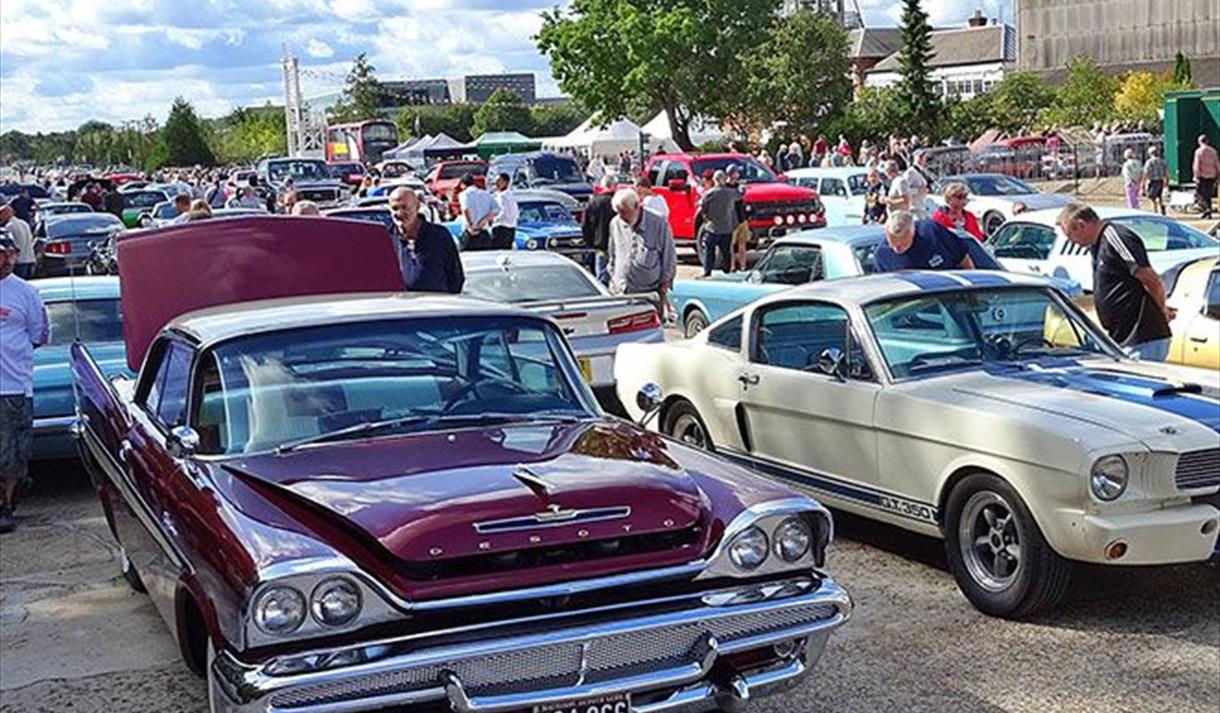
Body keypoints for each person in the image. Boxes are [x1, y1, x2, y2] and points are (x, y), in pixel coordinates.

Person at [1057, 203, 1174, 361]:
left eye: (1071, 236)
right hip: (1121, 337)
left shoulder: (1116, 237)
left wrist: (1161, 310)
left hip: (1142, 337)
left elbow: (1151, 279)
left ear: (1081, 225)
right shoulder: (1096, 246)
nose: (1072, 242)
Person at [0, 235, 49, 534]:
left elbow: (39, 335)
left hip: (13, 386)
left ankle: (5, 504)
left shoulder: (26, 293)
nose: (6, 260)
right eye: (1, 254)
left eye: (10, 254)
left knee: (11, 453)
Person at [606, 189, 676, 316]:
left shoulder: (658, 223)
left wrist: (664, 285)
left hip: (649, 294)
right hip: (622, 292)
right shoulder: (615, 223)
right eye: (619, 213)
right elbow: (613, 254)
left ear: (637, 206)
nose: (622, 217)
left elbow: (669, 256)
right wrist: (613, 277)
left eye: (625, 212)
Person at [388, 186, 464, 293]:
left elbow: (455, 276)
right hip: (401, 302)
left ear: (417, 207)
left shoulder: (439, 236)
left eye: (405, 207)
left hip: (437, 301)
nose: (400, 213)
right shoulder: (387, 239)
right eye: (395, 208)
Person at [874, 211, 976, 273]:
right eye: (892, 243)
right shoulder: (882, 255)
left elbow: (963, 258)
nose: (897, 248)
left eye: (902, 244)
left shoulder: (932, 233)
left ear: (913, 232)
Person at [694, 171, 738, 278]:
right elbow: (741, 194)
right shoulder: (730, 193)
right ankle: (727, 271)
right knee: (726, 251)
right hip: (727, 227)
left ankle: (707, 272)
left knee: (709, 250)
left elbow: (701, 206)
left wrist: (706, 217)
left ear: (714, 180)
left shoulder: (710, 193)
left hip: (713, 226)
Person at [582, 175, 616, 275]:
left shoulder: (593, 202)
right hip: (616, 243)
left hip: (600, 245)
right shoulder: (617, 201)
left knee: (601, 274)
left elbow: (586, 225)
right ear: (614, 185)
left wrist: (589, 243)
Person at [457, 174, 497, 250]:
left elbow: (465, 209)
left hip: (470, 232)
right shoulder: (486, 194)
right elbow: (497, 210)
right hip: (484, 231)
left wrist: (470, 225)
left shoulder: (464, 194)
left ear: (463, 184)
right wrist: (484, 220)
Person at [0, 205, 36, 278]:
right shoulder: (24, 223)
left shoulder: (9, 227)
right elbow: (31, 239)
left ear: (5, 214)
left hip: (19, 262)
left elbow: (10, 245)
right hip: (29, 259)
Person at [1193, 135, 1219, 219]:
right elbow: (1217, 163)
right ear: (1207, 141)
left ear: (1199, 142)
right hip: (1212, 176)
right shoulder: (1213, 151)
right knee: (1208, 195)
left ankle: (1206, 209)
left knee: (1200, 194)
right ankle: (1208, 212)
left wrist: (1196, 176)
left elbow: (1197, 165)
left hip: (1202, 176)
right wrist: (1218, 174)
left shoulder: (1198, 152)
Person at [491, 172, 518, 249]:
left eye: (499, 181)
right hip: (511, 228)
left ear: (506, 183)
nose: (496, 183)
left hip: (501, 228)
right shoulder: (509, 195)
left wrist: (493, 219)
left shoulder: (502, 196)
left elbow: (502, 211)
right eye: (495, 181)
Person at [1142, 146, 1168, 216]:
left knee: (1152, 197)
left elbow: (1145, 173)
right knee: (1160, 196)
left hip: (1152, 181)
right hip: (1160, 181)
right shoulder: (1162, 161)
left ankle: (1155, 211)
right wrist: (1166, 182)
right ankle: (1162, 207)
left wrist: (1143, 184)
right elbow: (1166, 173)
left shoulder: (1149, 162)